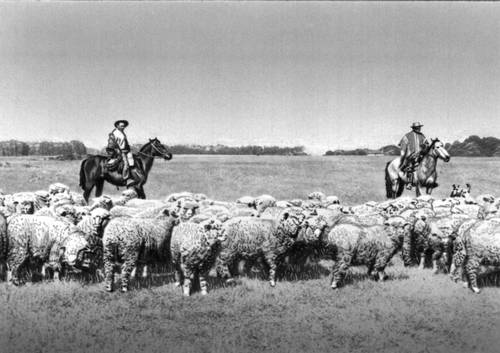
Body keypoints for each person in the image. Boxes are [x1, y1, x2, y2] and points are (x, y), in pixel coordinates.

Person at [398, 122, 428, 188]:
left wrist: (425, 147)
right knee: (410, 166)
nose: (419, 129)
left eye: (419, 127)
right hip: (411, 155)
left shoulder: (422, 136)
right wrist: (403, 152)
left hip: (421, 154)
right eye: (418, 127)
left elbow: (426, 144)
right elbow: (403, 144)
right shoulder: (407, 135)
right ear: (414, 128)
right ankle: (409, 183)